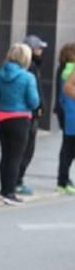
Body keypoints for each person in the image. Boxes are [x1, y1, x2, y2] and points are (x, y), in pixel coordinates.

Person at [0, 42, 41, 205]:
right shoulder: (28, 77)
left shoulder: (0, 74)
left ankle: (2, 189)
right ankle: (9, 191)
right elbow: (34, 101)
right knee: (16, 156)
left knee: (5, 154)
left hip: (2, 118)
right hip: (20, 118)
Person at [16, 34, 49, 195]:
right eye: (38, 48)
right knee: (25, 149)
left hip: (30, 112)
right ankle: (17, 180)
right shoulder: (30, 68)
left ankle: (17, 180)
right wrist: (38, 106)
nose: (41, 51)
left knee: (25, 149)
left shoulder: (33, 67)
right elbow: (33, 92)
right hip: (28, 113)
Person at [55, 44, 75, 194]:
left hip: (67, 113)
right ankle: (63, 181)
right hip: (72, 113)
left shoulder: (62, 69)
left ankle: (63, 180)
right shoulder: (70, 70)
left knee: (67, 148)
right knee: (68, 149)